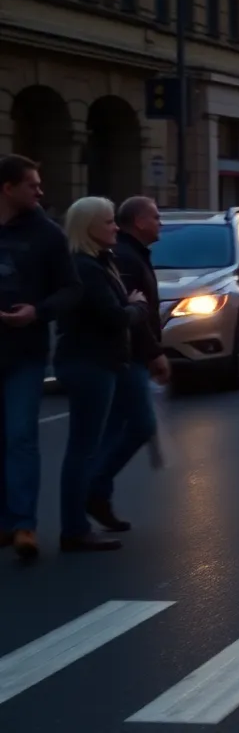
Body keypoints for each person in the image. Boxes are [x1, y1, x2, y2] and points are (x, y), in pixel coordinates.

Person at [54, 197, 148, 553]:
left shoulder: (98, 261)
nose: (115, 227)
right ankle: (75, 529)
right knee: (82, 449)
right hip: (90, 363)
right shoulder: (86, 268)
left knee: (87, 445)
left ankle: (80, 521)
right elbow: (113, 317)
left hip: (97, 361)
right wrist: (136, 307)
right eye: (109, 222)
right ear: (90, 227)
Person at [0, 155, 81, 560]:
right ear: (7, 188)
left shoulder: (47, 234)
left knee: (21, 437)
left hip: (24, 353)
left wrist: (37, 312)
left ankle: (23, 524)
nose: (40, 192)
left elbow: (70, 289)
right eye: (32, 185)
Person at [87, 196, 168, 533]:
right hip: (127, 356)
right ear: (139, 222)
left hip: (128, 354)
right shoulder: (125, 256)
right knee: (141, 425)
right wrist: (154, 354)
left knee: (115, 427)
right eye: (156, 216)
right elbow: (134, 313)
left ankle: (97, 494)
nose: (160, 221)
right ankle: (92, 487)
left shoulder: (133, 253)